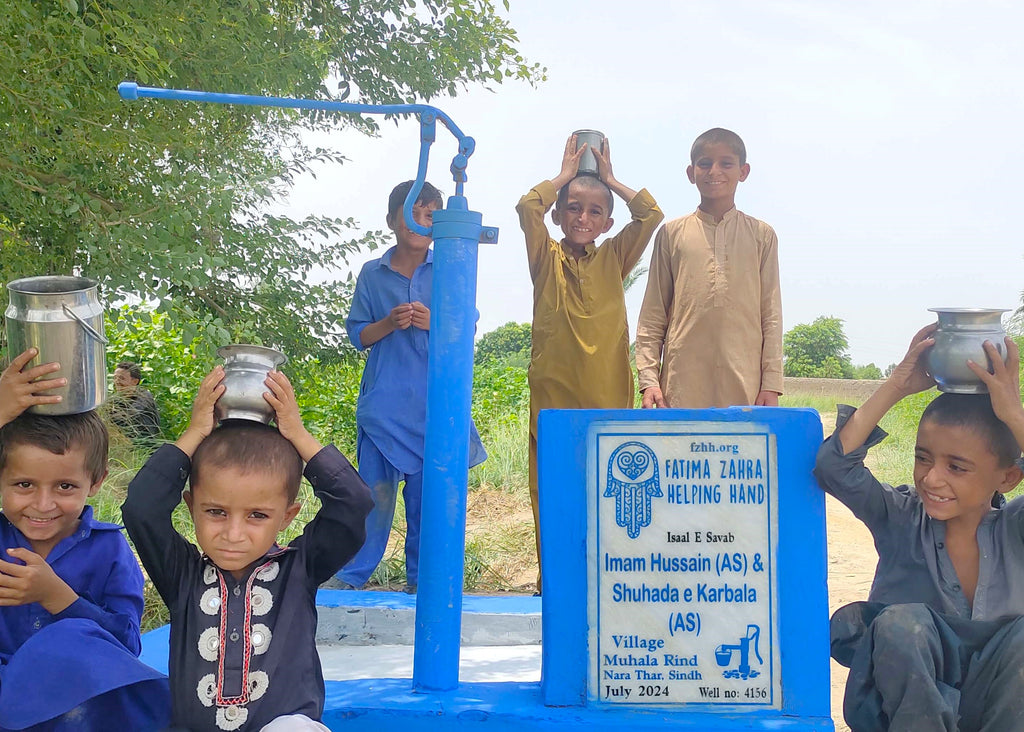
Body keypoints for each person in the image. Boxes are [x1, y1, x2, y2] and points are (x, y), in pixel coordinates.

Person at [121, 365, 373, 730]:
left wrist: (297, 433)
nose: (233, 533)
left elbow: (353, 503)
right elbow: (141, 508)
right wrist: (194, 433)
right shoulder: (182, 575)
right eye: (216, 512)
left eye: (257, 515)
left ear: (287, 517)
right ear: (191, 507)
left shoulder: (300, 569)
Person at [815, 324, 1024, 731]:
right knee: (899, 624)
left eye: (956, 467)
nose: (931, 479)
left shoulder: (1013, 531)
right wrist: (896, 385)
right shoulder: (901, 518)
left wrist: (1013, 414)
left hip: (997, 709)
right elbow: (834, 467)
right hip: (904, 711)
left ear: (1008, 479)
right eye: (923, 458)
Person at [516, 134, 663, 590]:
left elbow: (650, 215)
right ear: (558, 215)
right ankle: (553, 580)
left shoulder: (615, 257)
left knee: (612, 493)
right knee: (552, 492)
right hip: (554, 401)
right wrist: (563, 176)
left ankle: (611, 577)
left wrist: (610, 178)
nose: (583, 218)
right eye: (573, 208)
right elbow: (527, 208)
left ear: (607, 222)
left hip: (608, 402)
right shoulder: (546, 257)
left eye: (595, 211)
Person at [0, 348, 169, 731]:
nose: (43, 505)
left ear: (96, 482)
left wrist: (58, 597)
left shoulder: (108, 550)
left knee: (73, 638)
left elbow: (125, 647)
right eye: (24, 485)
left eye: (64, 486)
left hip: (78, 711)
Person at [335, 180, 486, 593]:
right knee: (373, 498)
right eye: (412, 211)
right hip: (384, 406)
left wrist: (432, 320)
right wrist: (389, 322)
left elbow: (465, 327)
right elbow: (358, 335)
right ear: (392, 220)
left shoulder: (451, 267)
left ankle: (423, 582)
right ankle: (351, 577)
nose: (421, 220)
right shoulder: (373, 273)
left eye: (431, 213)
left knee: (428, 504)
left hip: (434, 407)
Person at [636, 127, 783, 409]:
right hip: (680, 384)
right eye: (705, 163)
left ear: (743, 171)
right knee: (679, 451)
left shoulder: (762, 236)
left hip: (746, 383)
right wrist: (649, 379)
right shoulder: (671, 234)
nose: (714, 171)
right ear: (691, 173)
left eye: (726, 163)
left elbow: (771, 315)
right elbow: (653, 314)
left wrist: (771, 384)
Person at [110, 360, 162, 443]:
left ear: (135, 381)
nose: (117, 382)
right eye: (115, 378)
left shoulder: (144, 396)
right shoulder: (115, 401)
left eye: (121, 378)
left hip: (145, 447)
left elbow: (129, 415)